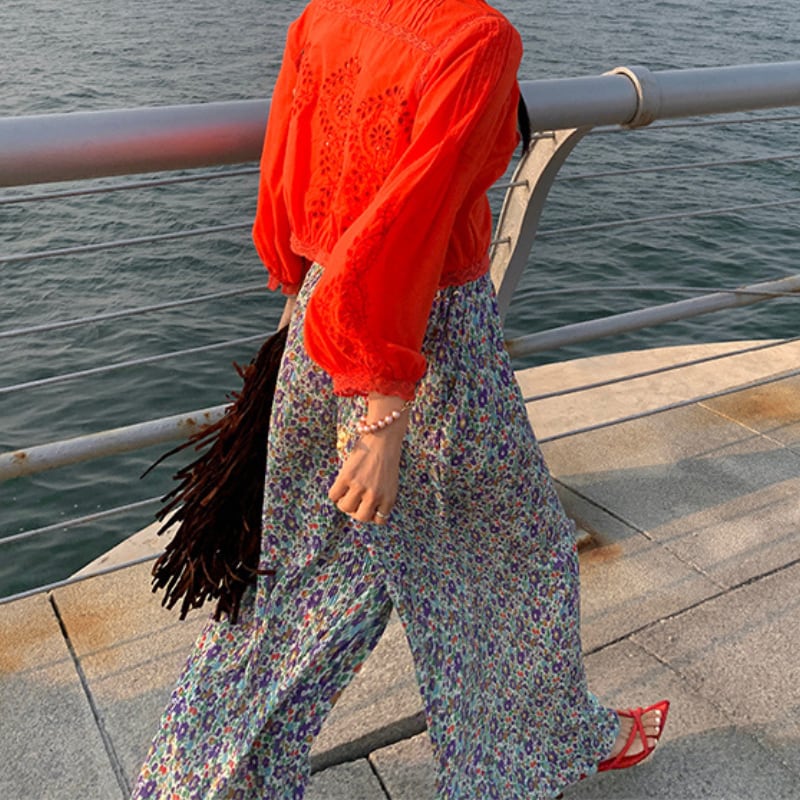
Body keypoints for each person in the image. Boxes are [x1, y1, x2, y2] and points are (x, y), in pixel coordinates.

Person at [131, 1, 669, 797]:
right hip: (425, 342)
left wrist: (299, 296)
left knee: (302, 581)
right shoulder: (476, 38)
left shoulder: (327, 12)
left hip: (322, 320)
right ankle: (528, 758)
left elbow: (285, 165)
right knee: (510, 564)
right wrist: (384, 415)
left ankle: (198, 781)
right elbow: (411, 225)